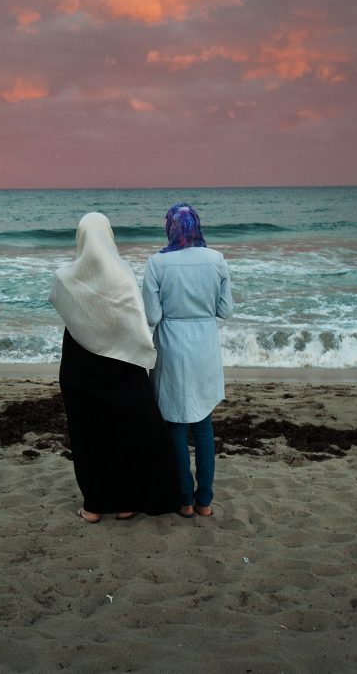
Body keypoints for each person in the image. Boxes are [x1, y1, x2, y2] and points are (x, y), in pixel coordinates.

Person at [49, 212, 180, 523]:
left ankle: (94, 505)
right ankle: (126, 503)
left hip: (80, 367)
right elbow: (135, 320)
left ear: (80, 238)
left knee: (88, 437)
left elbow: (59, 301)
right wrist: (145, 354)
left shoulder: (65, 277)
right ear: (109, 236)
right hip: (121, 363)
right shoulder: (121, 273)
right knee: (126, 433)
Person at [143, 203, 233, 518]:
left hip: (172, 345)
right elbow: (225, 310)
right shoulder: (217, 260)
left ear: (171, 229)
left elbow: (152, 316)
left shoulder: (156, 264)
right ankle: (205, 501)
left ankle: (184, 500)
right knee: (204, 423)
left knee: (176, 425)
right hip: (205, 346)